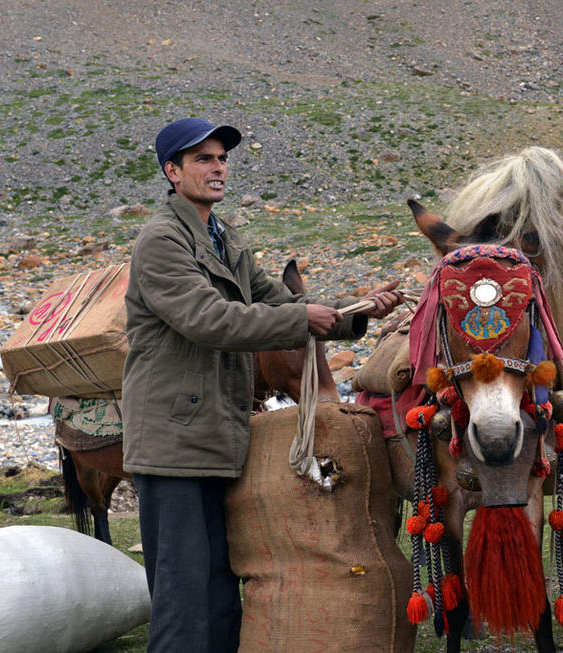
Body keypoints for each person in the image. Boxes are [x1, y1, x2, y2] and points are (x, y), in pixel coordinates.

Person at [122, 117, 401, 653]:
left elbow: (276, 302)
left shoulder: (225, 238)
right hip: (172, 441)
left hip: (217, 438)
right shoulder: (161, 240)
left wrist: (354, 312)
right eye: (202, 158)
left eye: (222, 157)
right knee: (184, 599)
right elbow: (212, 320)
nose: (218, 166)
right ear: (172, 172)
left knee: (221, 591)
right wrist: (305, 321)